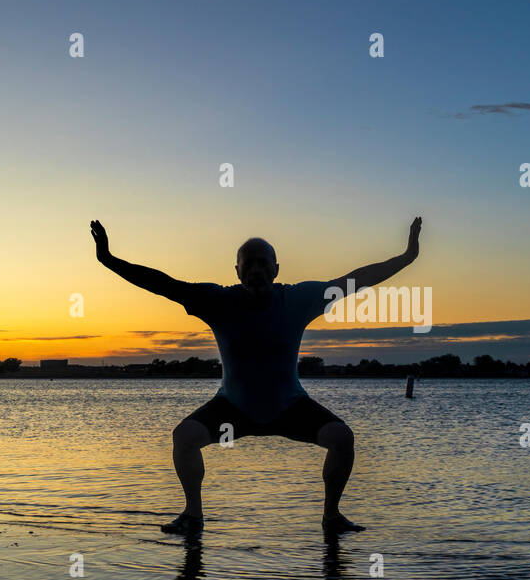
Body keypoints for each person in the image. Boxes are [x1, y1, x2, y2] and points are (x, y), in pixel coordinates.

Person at [90, 216, 422, 535]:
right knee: (185, 437)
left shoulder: (299, 298)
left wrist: (407, 256)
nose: (256, 269)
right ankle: (193, 515)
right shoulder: (217, 300)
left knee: (342, 439)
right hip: (233, 411)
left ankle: (331, 516)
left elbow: (356, 280)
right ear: (237, 271)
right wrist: (109, 259)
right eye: (248, 263)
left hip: (290, 408)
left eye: (263, 263)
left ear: (276, 269)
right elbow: (163, 284)